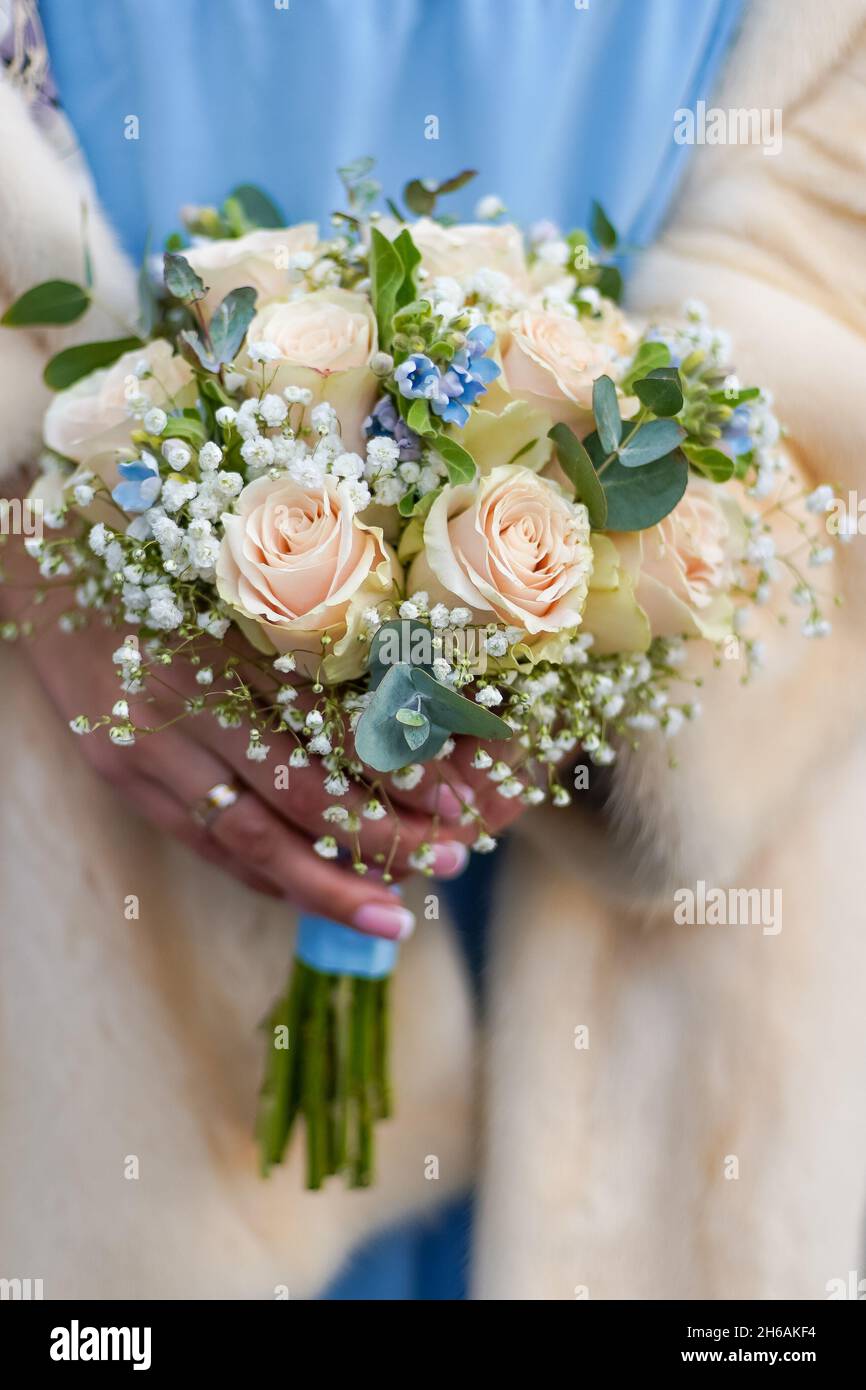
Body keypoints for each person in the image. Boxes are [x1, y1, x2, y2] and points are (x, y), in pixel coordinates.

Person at [1, 0, 865, 1300]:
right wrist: (42, 506)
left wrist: (623, 605)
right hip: (72, 818)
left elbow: (831, 236)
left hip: (643, 946)